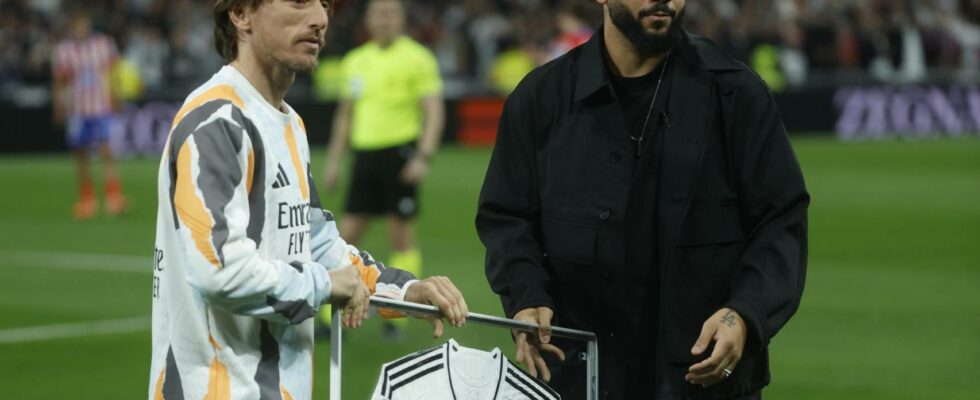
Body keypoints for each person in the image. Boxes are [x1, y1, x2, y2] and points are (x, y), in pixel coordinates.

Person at [476, 1, 809, 399]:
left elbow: (781, 220)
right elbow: (506, 217)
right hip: (584, 378)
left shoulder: (736, 93)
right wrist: (525, 296)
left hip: (703, 380)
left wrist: (745, 313)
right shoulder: (541, 98)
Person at [148, 1, 468, 398]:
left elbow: (318, 244)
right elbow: (221, 271)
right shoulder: (217, 120)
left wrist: (404, 292)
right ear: (242, 14)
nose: (320, 18)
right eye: (299, 1)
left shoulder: (289, 124)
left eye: (324, 4)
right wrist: (325, 285)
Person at [321, 0, 445, 339]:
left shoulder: (418, 57)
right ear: (369, 21)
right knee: (344, 237)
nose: (385, 21)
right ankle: (327, 316)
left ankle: (398, 316)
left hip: (400, 154)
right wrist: (334, 161)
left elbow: (433, 111)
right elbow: (345, 116)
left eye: (391, 15)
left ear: (402, 20)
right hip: (365, 157)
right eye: (379, 15)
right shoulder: (355, 61)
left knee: (400, 235)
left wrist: (422, 156)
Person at [52, 8, 127, 219]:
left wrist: (116, 96)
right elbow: (60, 81)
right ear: (72, 26)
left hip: (100, 107)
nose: (81, 28)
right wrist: (59, 106)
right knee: (81, 156)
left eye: (83, 24)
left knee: (107, 152)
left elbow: (113, 73)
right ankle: (87, 200)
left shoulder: (103, 44)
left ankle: (114, 198)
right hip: (78, 110)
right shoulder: (64, 50)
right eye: (77, 25)